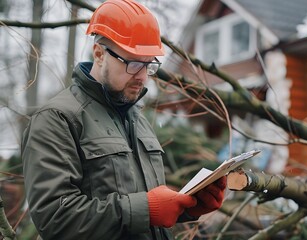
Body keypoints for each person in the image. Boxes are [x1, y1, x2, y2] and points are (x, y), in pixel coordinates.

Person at [21, 0, 226, 239]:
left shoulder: (136, 119)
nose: (142, 77)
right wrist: (147, 209)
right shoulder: (56, 119)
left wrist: (188, 207)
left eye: (149, 65)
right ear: (99, 54)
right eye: (134, 63)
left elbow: (142, 208)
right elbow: (55, 220)